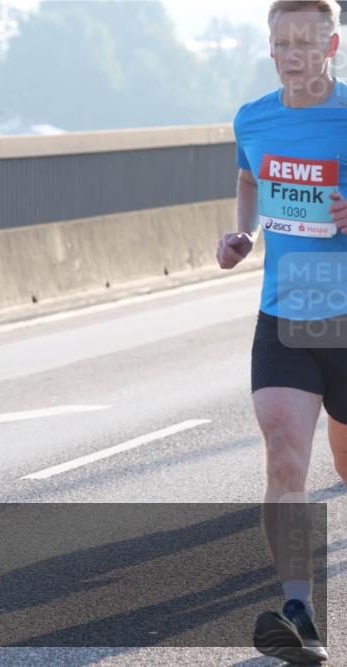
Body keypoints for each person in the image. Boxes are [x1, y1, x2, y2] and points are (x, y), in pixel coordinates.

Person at [217, 1, 346, 662]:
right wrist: (243, 232)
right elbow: (249, 178)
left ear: (332, 45)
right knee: (285, 452)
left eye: (305, 42)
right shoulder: (253, 118)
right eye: (281, 43)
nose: (292, 55)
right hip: (287, 314)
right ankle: (299, 610)